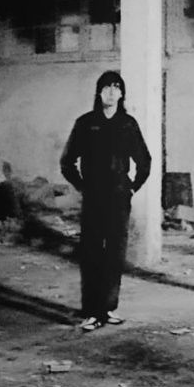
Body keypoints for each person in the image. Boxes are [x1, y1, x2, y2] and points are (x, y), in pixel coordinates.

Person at [60, 71, 151, 332]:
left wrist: (132, 187)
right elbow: (67, 162)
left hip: (119, 197)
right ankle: (91, 312)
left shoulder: (128, 124)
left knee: (114, 253)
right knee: (91, 253)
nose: (111, 92)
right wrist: (83, 186)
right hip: (94, 196)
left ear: (122, 94)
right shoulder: (86, 123)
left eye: (116, 88)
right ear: (99, 93)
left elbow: (144, 160)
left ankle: (108, 307)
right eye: (106, 88)